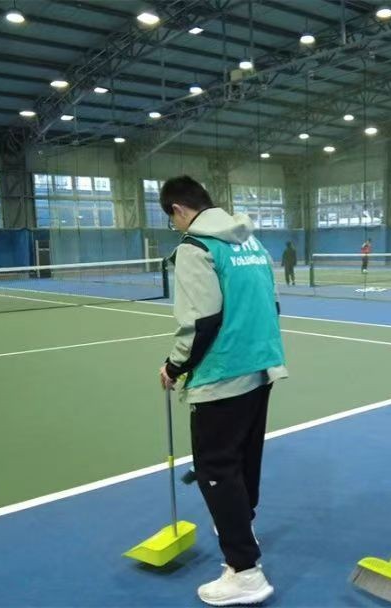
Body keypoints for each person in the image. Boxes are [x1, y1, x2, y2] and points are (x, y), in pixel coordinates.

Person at [158, 175, 288, 606]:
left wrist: (174, 366)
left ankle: (244, 570)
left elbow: (202, 321)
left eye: (172, 219)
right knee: (244, 458)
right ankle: (240, 525)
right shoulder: (251, 243)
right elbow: (272, 304)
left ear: (179, 209)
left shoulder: (196, 248)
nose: (175, 226)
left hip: (222, 373)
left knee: (216, 468)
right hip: (261, 367)